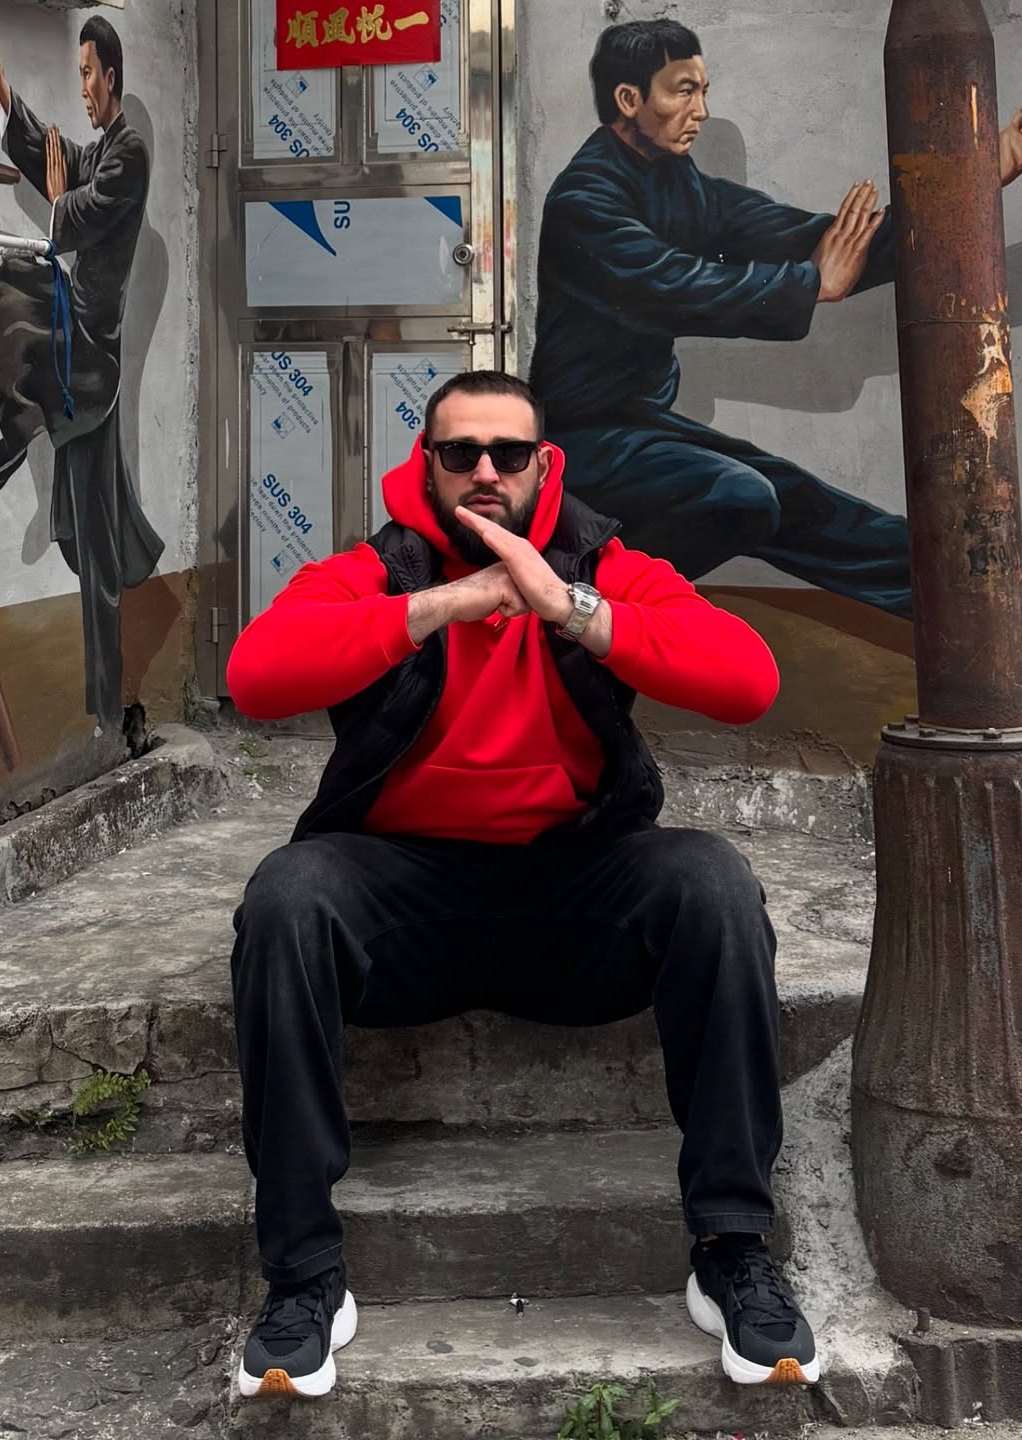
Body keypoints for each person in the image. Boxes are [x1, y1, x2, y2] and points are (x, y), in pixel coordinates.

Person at [227, 369, 819, 1400]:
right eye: (461, 453)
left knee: (712, 881)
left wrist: (571, 608)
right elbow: (256, 675)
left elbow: (747, 680)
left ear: (546, 465)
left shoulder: (607, 566)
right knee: (287, 895)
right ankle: (302, 1275)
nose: (485, 472)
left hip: (573, 891)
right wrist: (441, 606)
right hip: (404, 898)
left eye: (508, 453)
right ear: (428, 466)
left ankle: (731, 1249)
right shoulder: (374, 572)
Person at [530, 19, 1022, 620]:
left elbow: (821, 240)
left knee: (813, 508)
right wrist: (812, 284)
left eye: (704, 91)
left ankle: (971, 603)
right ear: (630, 99)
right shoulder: (584, 201)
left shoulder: (680, 184)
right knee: (743, 496)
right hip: (577, 441)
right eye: (683, 91)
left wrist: (976, 178)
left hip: (640, 427)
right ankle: (572, 605)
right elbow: (679, 286)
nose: (701, 110)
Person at [0, 19, 164, 730]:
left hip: (91, 360)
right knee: (2, 292)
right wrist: (3, 90)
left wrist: (56, 200)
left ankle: (108, 709)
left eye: (85, 74)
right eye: (76, 75)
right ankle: (19, 424)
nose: (81, 88)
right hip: (74, 338)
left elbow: (79, 216)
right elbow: (55, 156)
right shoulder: (104, 149)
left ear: (111, 74)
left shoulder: (130, 153)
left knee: (95, 543)